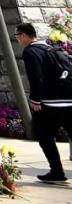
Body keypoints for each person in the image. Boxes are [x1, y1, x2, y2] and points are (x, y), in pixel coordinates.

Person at [16, 22, 72, 182]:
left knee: (45, 136)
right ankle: (56, 172)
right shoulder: (51, 48)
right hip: (68, 99)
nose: (17, 39)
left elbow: (36, 77)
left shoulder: (30, 51)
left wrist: (35, 100)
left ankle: (57, 172)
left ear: (24, 35)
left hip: (50, 103)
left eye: (17, 35)